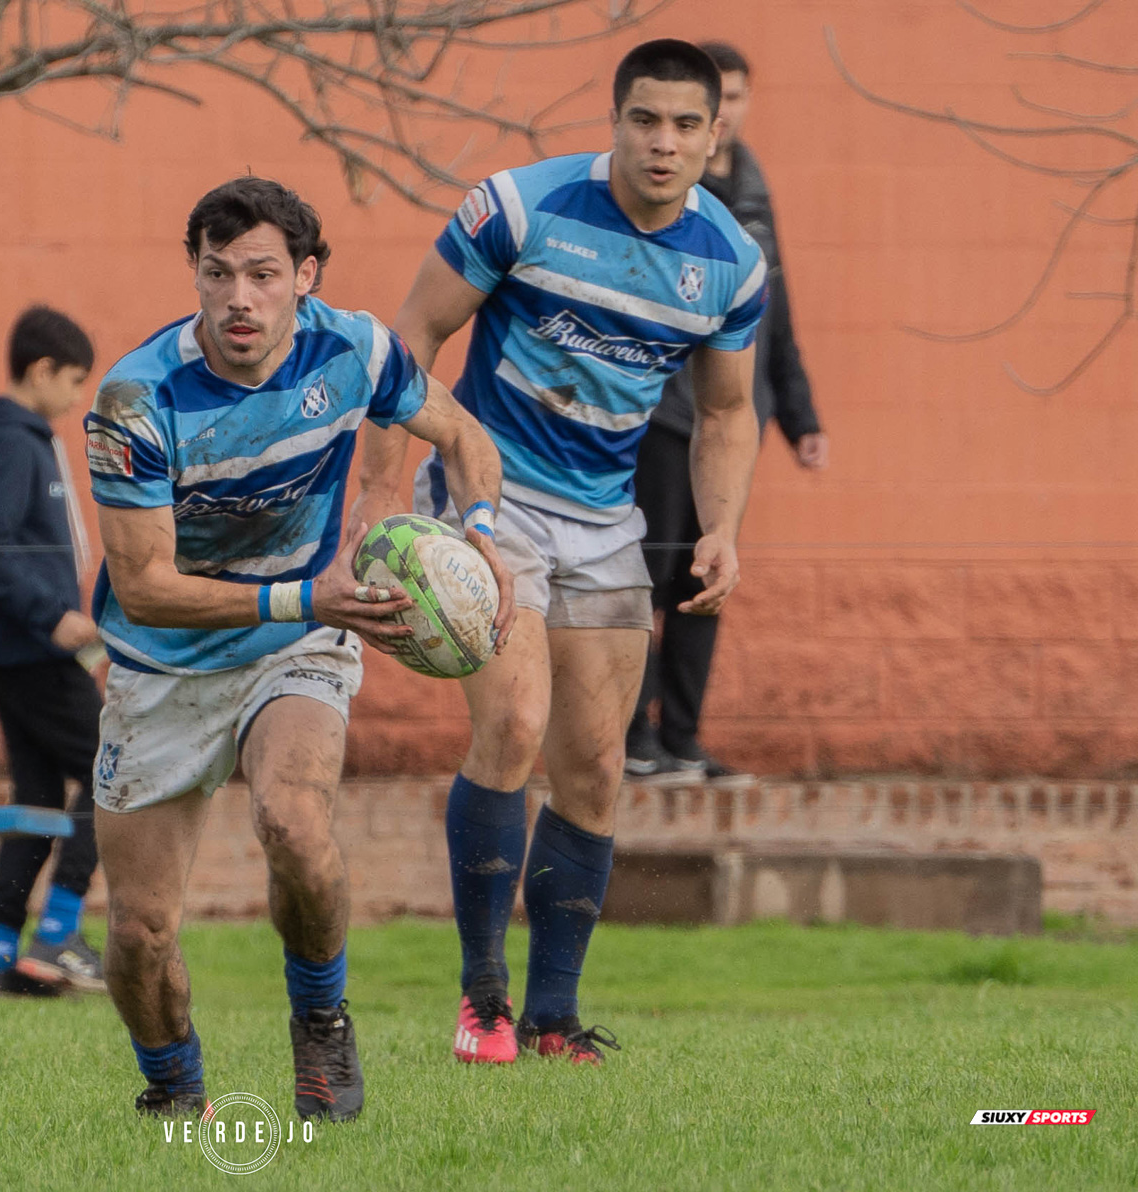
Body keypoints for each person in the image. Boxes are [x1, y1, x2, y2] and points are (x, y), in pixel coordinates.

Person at [356, 39, 766, 1067]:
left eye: (684, 125)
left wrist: (721, 525)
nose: (662, 143)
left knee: (592, 764)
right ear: (614, 120)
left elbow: (725, 412)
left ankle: (552, 1018)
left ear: (715, 136)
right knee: (516, 722)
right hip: (492, 498)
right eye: (644, 120)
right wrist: (385, 492)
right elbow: (412, 339)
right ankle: (482, 999)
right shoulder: (517, 209)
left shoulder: (730, 263)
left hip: (608, 520)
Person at [85, 177, 514, 1120]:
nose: (240, 297)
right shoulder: (134, 401)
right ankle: (175, 1091)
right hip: (162, 666)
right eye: (218, 273)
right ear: (194, 275)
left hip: (301, 644)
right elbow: (145, 585)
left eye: (265, 274)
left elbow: (463, 432)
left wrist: (479, 529)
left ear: (306, 276)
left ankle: (320, 1021)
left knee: (294, 821)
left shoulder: (354, 349)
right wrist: (300, 593)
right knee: (141, 930)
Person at [625, 40, 829, 788]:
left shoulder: (752, 187)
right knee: (640, 582)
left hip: (733, 421)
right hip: (663, 419)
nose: (727, 116)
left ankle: (681, 740)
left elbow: (775, 311)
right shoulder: (666, 192)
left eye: (738, 99)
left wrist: (799, 413)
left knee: (705, 582)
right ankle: (630, 739)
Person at [0, 306, 108, 997]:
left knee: (42, 796)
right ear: (41, 371)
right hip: (27, 645)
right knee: (115, 772)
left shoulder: (23, 438)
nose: (78, 398)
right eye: (75, 382)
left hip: (15, 647)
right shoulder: (15, 442)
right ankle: (57, 935)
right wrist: (56, 619)